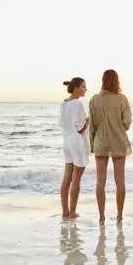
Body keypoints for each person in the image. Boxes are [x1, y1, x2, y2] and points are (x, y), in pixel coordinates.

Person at [88, 69, 132, 223]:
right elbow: (127, 123)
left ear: (103, 80)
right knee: (120, 180)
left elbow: (91, 126)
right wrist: (118, 125)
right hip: (118, 141)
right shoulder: (122, 99)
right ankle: (119, 215)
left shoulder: (94, 99)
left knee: (100, 181)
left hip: (101, 142)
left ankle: (101, 217)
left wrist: (92, 145)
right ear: (116, 81)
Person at [58, 77, 89, 219]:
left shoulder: (63, 104)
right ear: (76, 88)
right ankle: (72, 212)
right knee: (76, 178)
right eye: (83, 87)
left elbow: (64, 124)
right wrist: (89, 120)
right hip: (77, 142)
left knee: (67, 177)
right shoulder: (77, 104)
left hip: (67, 142)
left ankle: (65, 211)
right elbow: (80, 128)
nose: (85, 89)